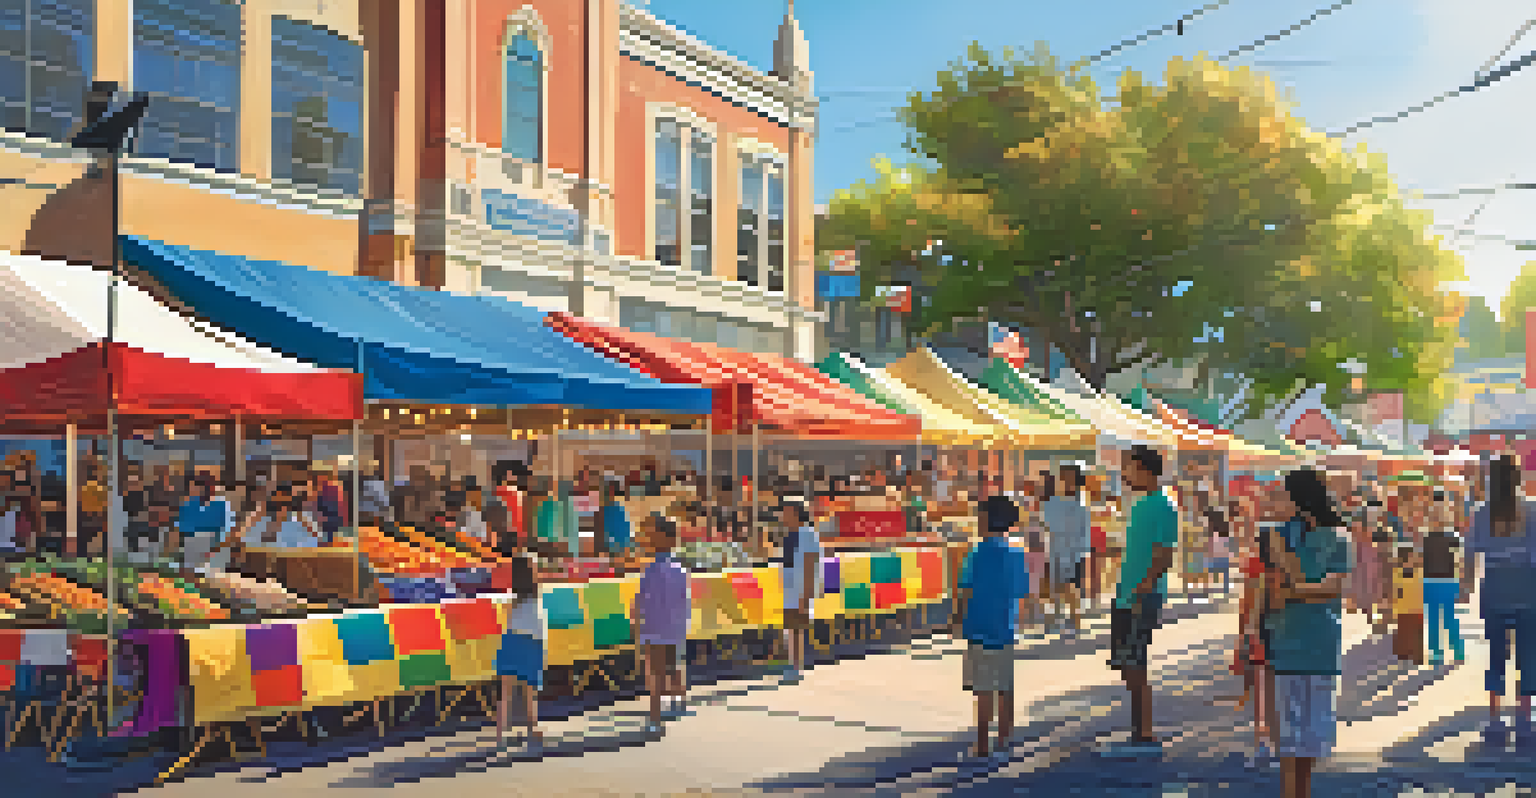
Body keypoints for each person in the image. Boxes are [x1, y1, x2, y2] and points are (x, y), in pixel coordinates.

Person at [1264, 468, 1351, 798]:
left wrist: (1295, 587)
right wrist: (1306, 588)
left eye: (1280, 494)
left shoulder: (1337, 536)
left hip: (1316, 644)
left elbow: (1333, 588)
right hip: (1289, 642)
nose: (1274, 500)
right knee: (1290, 737)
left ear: (1298, 500)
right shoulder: (1277, 534)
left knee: (1310, 735)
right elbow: (1274, 592)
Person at [1109, 446, 1178, 750]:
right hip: (1128, 594)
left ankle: (1145, 732)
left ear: (1145, 470)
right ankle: (1140, 729)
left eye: (1129, 468)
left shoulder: (1162, 504)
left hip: (1141, 595)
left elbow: (1164, 555)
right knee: (1126, 661)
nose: (1125, 474)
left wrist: (1143, 587)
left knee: (1136, 661)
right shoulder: (1143, 504)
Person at [952, 493, 1029, 759]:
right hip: (1005, 627)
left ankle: (983, 744)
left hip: (978, 626)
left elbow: (965, 590)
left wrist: (957, 620)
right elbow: (1021, 593)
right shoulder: (1017, 554)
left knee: (983, 688)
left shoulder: (976, 554)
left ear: (985, 521)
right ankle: (1005, 740)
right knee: (1005, 686)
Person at [1464, 455, 1536, 739]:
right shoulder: (1530, 509)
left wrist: (1466, 586)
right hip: (1527, 588)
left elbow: (1471, 553)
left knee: (1496, 653)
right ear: (1518, 478)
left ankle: (1495, 720)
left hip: (1493, 587)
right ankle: (1524, 718)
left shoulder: (1483, 512)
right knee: (1527, 654)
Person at [633, 515, 690, 735]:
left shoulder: (652, 569)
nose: (649, 538)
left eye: (653, 534)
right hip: (672, 628)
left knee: (656, 674)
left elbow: (640, 602)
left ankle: (656, 718)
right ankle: (677, 700)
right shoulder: (679, 569)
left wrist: (637, 628)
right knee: (673, 666)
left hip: (656, 628)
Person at [493, 554, 544, 748]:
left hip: (511, 640)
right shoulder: (535, 596)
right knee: (529, 689)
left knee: (505, 691)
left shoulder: (514, 599)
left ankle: (500, 735)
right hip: (532, 642)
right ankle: (533, 727)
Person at [779, 499, 823, 684]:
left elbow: (810, 563)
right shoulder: (790, 534)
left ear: (797, 513)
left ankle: (796, 666)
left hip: (799, 588)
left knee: (796, 628)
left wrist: (806, 594)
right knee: (791, 628)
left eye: (786, 512)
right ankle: (792, 663)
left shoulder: (807, 534)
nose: (783, 516)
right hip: (789, 588)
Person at [1043, 464, 1091, 634]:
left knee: (1072, 587)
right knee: (1053, 586)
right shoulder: (1052, 502)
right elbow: (1046, 525)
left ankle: (1074, 621)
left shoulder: (1082, 504)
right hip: (1055, 550)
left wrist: (1083, 553)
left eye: (1069, 478)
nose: (1064, 482)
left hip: (1075, 552)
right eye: (1062, 478)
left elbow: (1084, 531)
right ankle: (1054, 620)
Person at [1422, 490, 1465, 666]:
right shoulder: (1450, 536)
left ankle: (1443, 652)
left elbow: (1459, 560)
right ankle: (1452, 651)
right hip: (1442, 581)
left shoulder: (1430, 536)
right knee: (1444, 618)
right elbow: (1459, 561)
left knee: (1439, 619)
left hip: (1437, 580)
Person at [179, 475, 232, 573]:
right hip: (192, 549)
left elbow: (226, 530)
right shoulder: (189, 504)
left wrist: (216, 547)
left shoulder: (220, 505)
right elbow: (183, 529)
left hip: (215, 549)